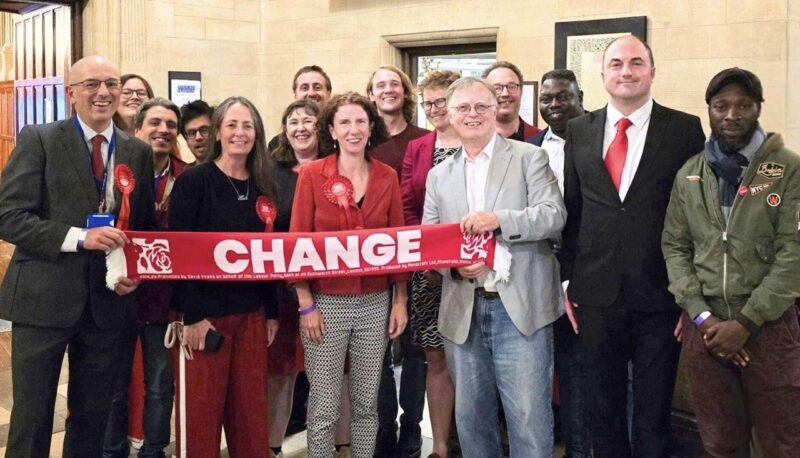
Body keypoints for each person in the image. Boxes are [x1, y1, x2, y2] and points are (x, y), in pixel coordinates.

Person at [0, 55, 156, 458]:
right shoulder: (40, 139)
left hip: (107, 304)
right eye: (91, 84)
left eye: (111, 83)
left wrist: (134, 271)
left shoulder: (137, 151)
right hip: (43, 298)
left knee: (92, 420)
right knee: (32, 419)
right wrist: (80, 238)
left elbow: (141, 227)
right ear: (71, 93)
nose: (103, 92)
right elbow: (9, 217)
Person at [560, 35, 705, 457]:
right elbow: (573, 211)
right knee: (601, 410)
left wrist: (691, 296)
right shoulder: (579, 130)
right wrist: (567, 281)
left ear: (652, 72)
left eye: (636, 62)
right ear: (602, 74)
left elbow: (697, 218)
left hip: (661, 295)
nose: (627, 71)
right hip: (595, 294)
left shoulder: (684, 129)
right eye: (617, 63)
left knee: (653, 413)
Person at [422, 76, 566, 457]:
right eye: (463, 108)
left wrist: (499, 220)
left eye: (481, 106)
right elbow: (430, 242)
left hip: (519, 309)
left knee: (528, 420)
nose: (473, 114)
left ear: (494, 110)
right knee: (471, 420)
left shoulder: (529, 157)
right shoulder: (438, 176)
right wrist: (454, 268)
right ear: (450, 115)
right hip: (463, 311)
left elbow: (553, 216)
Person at [663, 67, 800, 457]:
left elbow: (793, 254)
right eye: (721, 106)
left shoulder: (787, 169)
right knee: (720, 444)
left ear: (758, 108)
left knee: (782, 444)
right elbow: (675, 247)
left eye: (743, 105)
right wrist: (703, 317)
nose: (731, 115)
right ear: (709, 110)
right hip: (705, 330)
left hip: (770, 328)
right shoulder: (690, 173)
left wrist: (745, 323)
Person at [289, 91, 409, 458]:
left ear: (371, 127)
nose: (353, 129)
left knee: (366, 404)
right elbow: (297, 242)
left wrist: (400, 301)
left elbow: (398, 244)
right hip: (325, 303)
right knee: (324, 405)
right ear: (331, 130)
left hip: (375, 303)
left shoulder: (387, 176)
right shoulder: (312, 175)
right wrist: (306, 303)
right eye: (344, 122)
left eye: (360, 121)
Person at [167, 96, 279, 457]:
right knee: (200, 423)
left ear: (257, 133)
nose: (239, 133)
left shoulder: (263, 186)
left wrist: (271, 312)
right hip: (205, 320)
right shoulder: (194, 182)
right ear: (217, 132)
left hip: (252, 317)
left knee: (251, 421)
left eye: (247, 125)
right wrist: (193, 317)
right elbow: (180, 254)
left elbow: (271, 255)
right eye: (231, 125)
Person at [103, 97, 188, 458]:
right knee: (114, 383)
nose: (163, 130)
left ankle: (153, 451)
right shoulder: (113, 170)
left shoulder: (187, 177)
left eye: (171, 125)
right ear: (137, 129)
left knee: (159, 384)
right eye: (155, 123)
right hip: (116, 294)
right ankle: (112, 450)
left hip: (162, 300)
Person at [366, 64, 429, 457]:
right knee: (377, 354)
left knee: (415, 351)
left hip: (417, 259)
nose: (388, 90)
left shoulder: (423, 139)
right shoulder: (361, 140)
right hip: (372, 260)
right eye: (380, 85)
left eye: (394, 84)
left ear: (404, 92)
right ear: (370, 95)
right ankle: (384, 427)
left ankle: (411, 427)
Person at [527, 69, 590, 458]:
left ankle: (582, 449)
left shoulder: (597, 138)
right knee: (541, 365)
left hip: (585, 271)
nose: (554, 105)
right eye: (546, 99)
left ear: (580, 97)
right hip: (539, 267)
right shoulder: (530, 147)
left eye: (563, 96)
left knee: (578, 367)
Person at [400, 69, 461, 458]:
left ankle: (470, 441)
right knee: (435, 356)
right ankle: (439, 446)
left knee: (472, 358)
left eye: (442, 101)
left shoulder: (480, 139)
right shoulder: (418, 148)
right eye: (429, 103)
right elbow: (408, 205)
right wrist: (429, 257)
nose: (435, 109)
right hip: (428, 270)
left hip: (474, 267)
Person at [268, 99, 323, 458]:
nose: (301, 127)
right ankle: (271, 446)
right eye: (293, 122)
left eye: (308, 120)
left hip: (330, 285)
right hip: (282, 286)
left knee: (333, 371)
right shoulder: (270, 171)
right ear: (285, 130)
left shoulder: (338, 167)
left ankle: (337, 447)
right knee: (281, 369)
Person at [268, 65, 333, 151]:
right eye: (305, 88)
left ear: (328, 94)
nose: (311, 93)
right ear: (295, 94)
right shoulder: (276, 146)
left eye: (317, 87)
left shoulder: (340, 138)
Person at [482, 61, 540, 141]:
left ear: (521, 92)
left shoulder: (540, 140)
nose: (505, 94)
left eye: (511, 87)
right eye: (497, 88)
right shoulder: (471, 139)